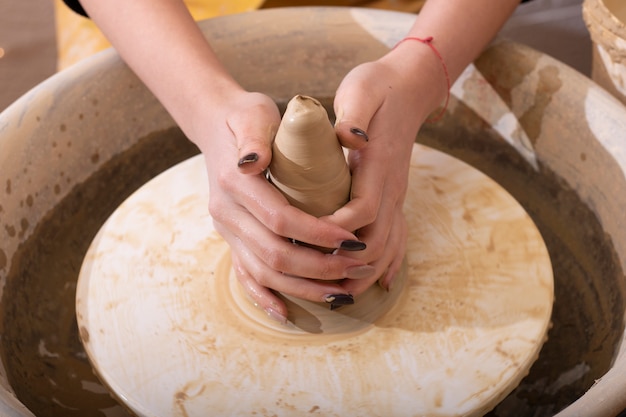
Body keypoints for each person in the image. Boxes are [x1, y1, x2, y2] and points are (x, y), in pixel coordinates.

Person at [64, 0, 523, 323]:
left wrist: (420, 73)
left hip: (422, 17)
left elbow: (418, 69)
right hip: (163, 25)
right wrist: (204, 108)